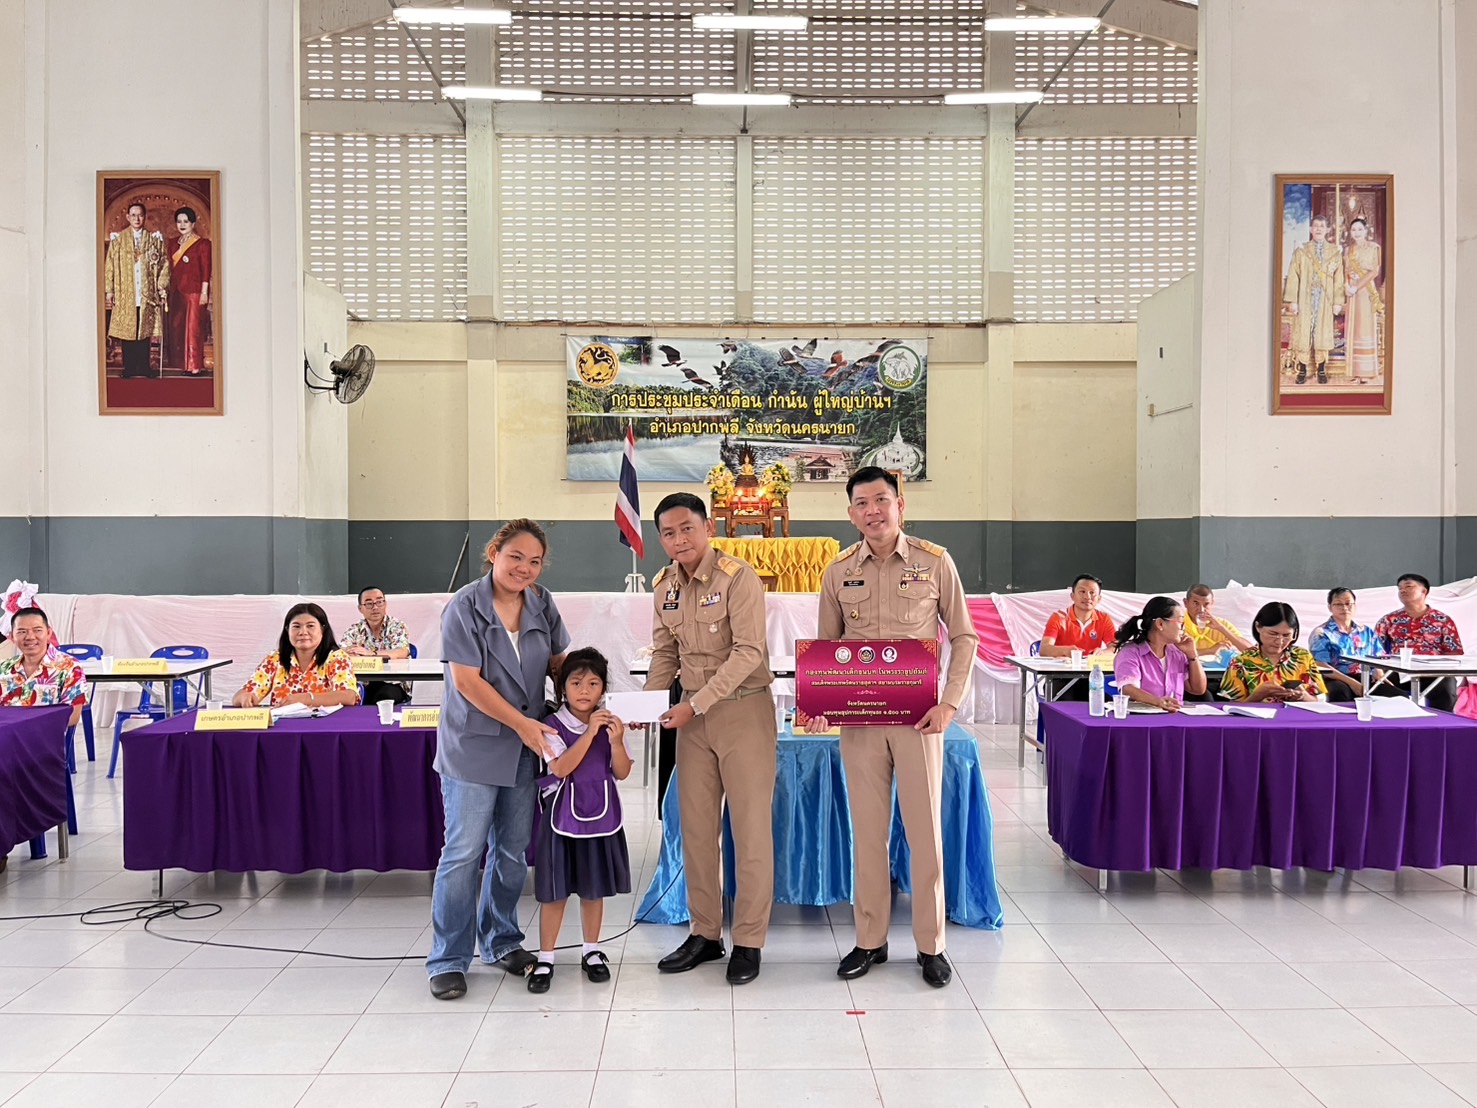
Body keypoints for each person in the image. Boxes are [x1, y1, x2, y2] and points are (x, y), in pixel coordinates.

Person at [810, 466, 978, 989]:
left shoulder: (935, 561)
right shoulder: (838, 571)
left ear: (900, 504)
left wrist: (949, 704)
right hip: (860, 723)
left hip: (919, 721)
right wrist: (822, 701)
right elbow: (827, 649)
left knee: (925, 834)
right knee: (868, 834)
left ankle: (931, 945)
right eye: (862, 503)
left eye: (881, 500)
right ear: (850, 514)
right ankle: (870, 940)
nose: (873, 511)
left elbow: (965, 637)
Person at [427, 520, 569, 1002]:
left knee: (511, 852)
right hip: (474, 745)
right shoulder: (464, 606)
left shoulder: (542, 602)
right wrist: (525, 725)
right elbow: (467, 682)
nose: (524, 568)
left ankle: (502, 940)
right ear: (494, 553)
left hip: (525, 748)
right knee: (464, 853)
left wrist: (589, 698)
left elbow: (559, 662)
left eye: (535, 561)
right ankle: (448, 959)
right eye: (516, 557)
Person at [643, 492, 776, 986]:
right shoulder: (664, 587)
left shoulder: (738, 578)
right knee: (697, 830)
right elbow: (665, 653)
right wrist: (646, 704)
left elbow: (748, 652)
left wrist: (694, 703)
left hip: (742, 710)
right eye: (669, 533)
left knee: (750, 830)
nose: (679, 540)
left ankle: (749, 941)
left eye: (687, 528)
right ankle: (705, 933)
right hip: (691, 719)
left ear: (707, 528)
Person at [527, 648, 632, 994]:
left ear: (603, 688)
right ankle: (546, 957)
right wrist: (589, 734)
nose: (584, 690)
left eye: (593, 683)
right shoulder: (551, 726)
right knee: (555, 893)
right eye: (576, 683)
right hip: (561, 818)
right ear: (563, 687)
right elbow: (560, 767)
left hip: (601, 817)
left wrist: (616, 741)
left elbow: (621, 771)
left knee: (593, 888)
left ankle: (591, 950)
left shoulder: (610, 724)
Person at [0, 606, 88, 873]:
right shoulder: (5, 669)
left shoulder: (68, 667)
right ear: (12, 636)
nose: (30, 637)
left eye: (37, 630)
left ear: (49, 633)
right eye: (22, 632)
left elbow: (72, 716)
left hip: (42, 747)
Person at [232, 603, 360, 708]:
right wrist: (244, 697)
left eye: (310, 626)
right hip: (283, 725)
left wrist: (305, 698)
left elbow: (348, 696)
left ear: (322, 629)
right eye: (296, 626)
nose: (303, 632)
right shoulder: (275, 659)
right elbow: (243, 694)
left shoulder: (337, 658)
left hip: (324, 724)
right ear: (287, 630)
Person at [1375, 573, 1463, 712]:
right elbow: (1375, 649)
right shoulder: (1388, 620)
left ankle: (1440, 722)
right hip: (1398, 670)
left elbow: (1453, 652)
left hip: (1432, 672)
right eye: (1400, 588)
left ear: (1424, 591)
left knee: (1446, 684)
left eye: (1408, 586)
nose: (1403, 591)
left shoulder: (1442, 620)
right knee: (1377, 682)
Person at [103, 201, 171, 379]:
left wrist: (161, 286)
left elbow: (164, 263)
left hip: (146, 292)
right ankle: (130, 367)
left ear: (144, 217)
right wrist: (109, 290)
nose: (136, 218)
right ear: (128, 217)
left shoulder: (154, 240)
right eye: (133, 215)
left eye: (139, 215)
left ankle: (144, 366)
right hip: (125, 291)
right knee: (129, 330)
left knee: (144, 330)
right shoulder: (118, 241)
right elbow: (109, 266)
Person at [1111, 596, 1207, 711]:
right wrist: (1158, 702)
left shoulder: (1178, 653)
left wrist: (1193, 656)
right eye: (1181, 623)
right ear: (1160, 624)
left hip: (1175, 716)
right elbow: (1128, 689)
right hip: (1142, 718)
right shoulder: (1131, 653)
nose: (1183, 629)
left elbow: (1198, 689)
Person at [1219, 602, 1327, 703]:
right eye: (1273, 634)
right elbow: (1231, 708)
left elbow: (1318, 702)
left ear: (1294, 633)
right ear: (1258, 627)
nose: (1279, 641)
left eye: (1286, 635)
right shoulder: (1240, 662)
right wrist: (1257, 696)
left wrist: (1303, 696)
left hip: (1296, 716)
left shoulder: (1303, 657)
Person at [1282, 213, 1345, 385]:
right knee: (1304, 331)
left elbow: (1339, 279)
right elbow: (1293, 276)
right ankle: (1302, 369)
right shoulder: (1301, 251)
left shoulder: (1334, 253)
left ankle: (1321, 368)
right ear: (1311, 229)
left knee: (1322, 332)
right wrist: (1293, 301)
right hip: (1305, 298)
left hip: (1325, 299)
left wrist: (1338, 302)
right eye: (1315, 226)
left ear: (1327, 230)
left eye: (1322, 226)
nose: (1318, 229)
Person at [1308, 587, 1383, 702]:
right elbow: (1321, 665)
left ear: (1355, 606)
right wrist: (1352, 682)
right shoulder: (1321, 633)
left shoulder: (1366, 631)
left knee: (1397, 696)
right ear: (1330, 607)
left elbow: (1378, 656)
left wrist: (1378, 671)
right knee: (1341, 694)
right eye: (1338, 604)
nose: (1344, 608)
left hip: (1364, 676)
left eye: (1348, 603)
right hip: (1335, 678)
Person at [341, 586, 413, 706]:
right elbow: (342, 651)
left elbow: (402, 651)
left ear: (385, 604)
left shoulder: (397, 626)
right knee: (346, 695)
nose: (375, 607)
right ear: (360, 608)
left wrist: (372, 654)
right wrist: (351, 652)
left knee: (384, 697)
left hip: (393, 683)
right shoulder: (355, 629)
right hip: (364, 682)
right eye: (369, 604)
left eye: (379, 602)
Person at [167, 206, 212, 374]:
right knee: (178, 328)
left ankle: (194, 366)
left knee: (193, 329)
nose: (182, 225)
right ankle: (182, 364)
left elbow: (206, 269)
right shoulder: (173, 243)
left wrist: (204, 292)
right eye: (179, 221)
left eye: (186, 221)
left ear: (193, 223)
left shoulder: (203, 244)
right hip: (176, 291)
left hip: (194, 291)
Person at [1343, 217, 1383, 384]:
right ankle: (1355, 371)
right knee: (1354, 329)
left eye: (1360, 229)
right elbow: (1346, 270)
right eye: (1354, 230)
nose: (1357, 232)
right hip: (1352, 293)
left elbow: (1374, 272)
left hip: (1366, 291)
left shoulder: (1374, 248)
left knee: (1364, 328)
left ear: (1366, 231)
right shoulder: (1348, 250)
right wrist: (1347, 285)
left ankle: (1366, 372)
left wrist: (1357, 286)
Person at [1038, 574, 1116, 658]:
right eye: (1082, 591)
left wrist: (1102, 653)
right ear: (1073, 596)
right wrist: (1065, 651)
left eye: (1092, 592)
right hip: (1064, 665)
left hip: (1091, 665)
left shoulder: (1104, 619)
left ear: (1099, 599)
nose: (1087, 597)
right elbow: (1044, 649)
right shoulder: (1058, 618)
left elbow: (1115, 648)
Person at [1182, 584, 1253, 656]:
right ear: (1186, 603)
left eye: (1206, 604)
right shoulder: (1178, 625)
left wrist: (1221, 628)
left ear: (1212, 603)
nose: (1201, 610)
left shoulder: (1221, 624)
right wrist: (1210, 651)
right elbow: (1175, 656)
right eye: (1196, 603)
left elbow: (1251, 652)